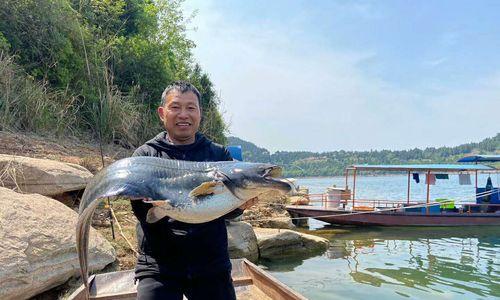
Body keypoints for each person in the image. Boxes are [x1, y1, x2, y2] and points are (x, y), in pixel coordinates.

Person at [131, 81, 257, 300]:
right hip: (159, 264)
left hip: (210, 262)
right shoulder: (145, 156)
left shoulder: (219, 155)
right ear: (162, 113)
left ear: (200, 113)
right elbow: (144, 215)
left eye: (191, 108)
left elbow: (227, 211)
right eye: (175, 107)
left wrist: (239, 204)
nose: (183, 114)